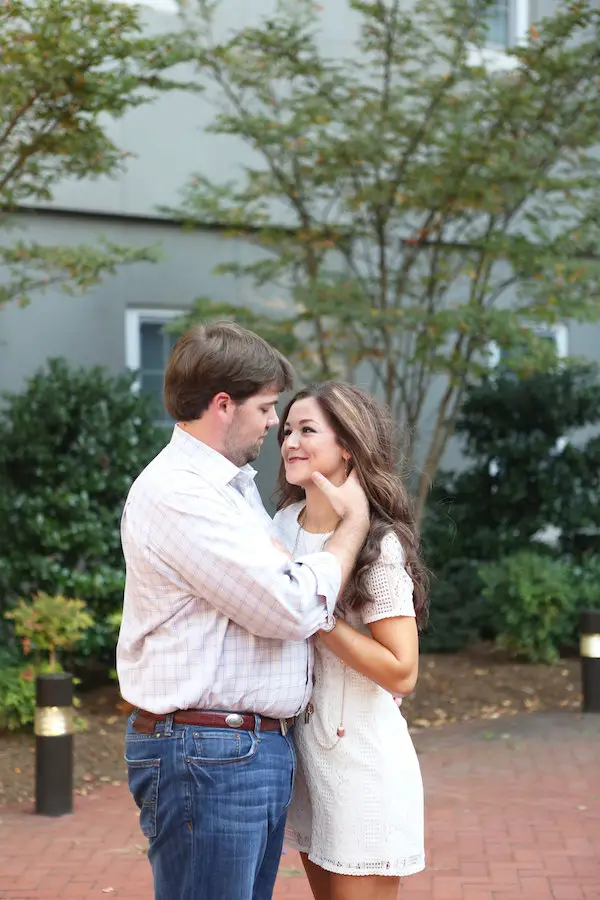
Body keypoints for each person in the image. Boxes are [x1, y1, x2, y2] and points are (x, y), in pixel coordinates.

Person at [116, 322, 371, 900]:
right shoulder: (180, 493)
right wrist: (350, 529)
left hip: (235, 751)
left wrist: (297, 573)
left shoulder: (231, 488)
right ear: (223, 405)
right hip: (209, 755)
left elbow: (283, 584)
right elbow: (286, 605)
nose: (274, 423)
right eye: (266, 406)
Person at [272, 381, 428, 900]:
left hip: (364, 763)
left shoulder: (378, 545)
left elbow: (402, 670)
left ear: (347, 447)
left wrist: (315, 615)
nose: (290, 440)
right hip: (305, 760)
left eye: (307, 430)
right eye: (288, 429)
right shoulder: (279, 526)